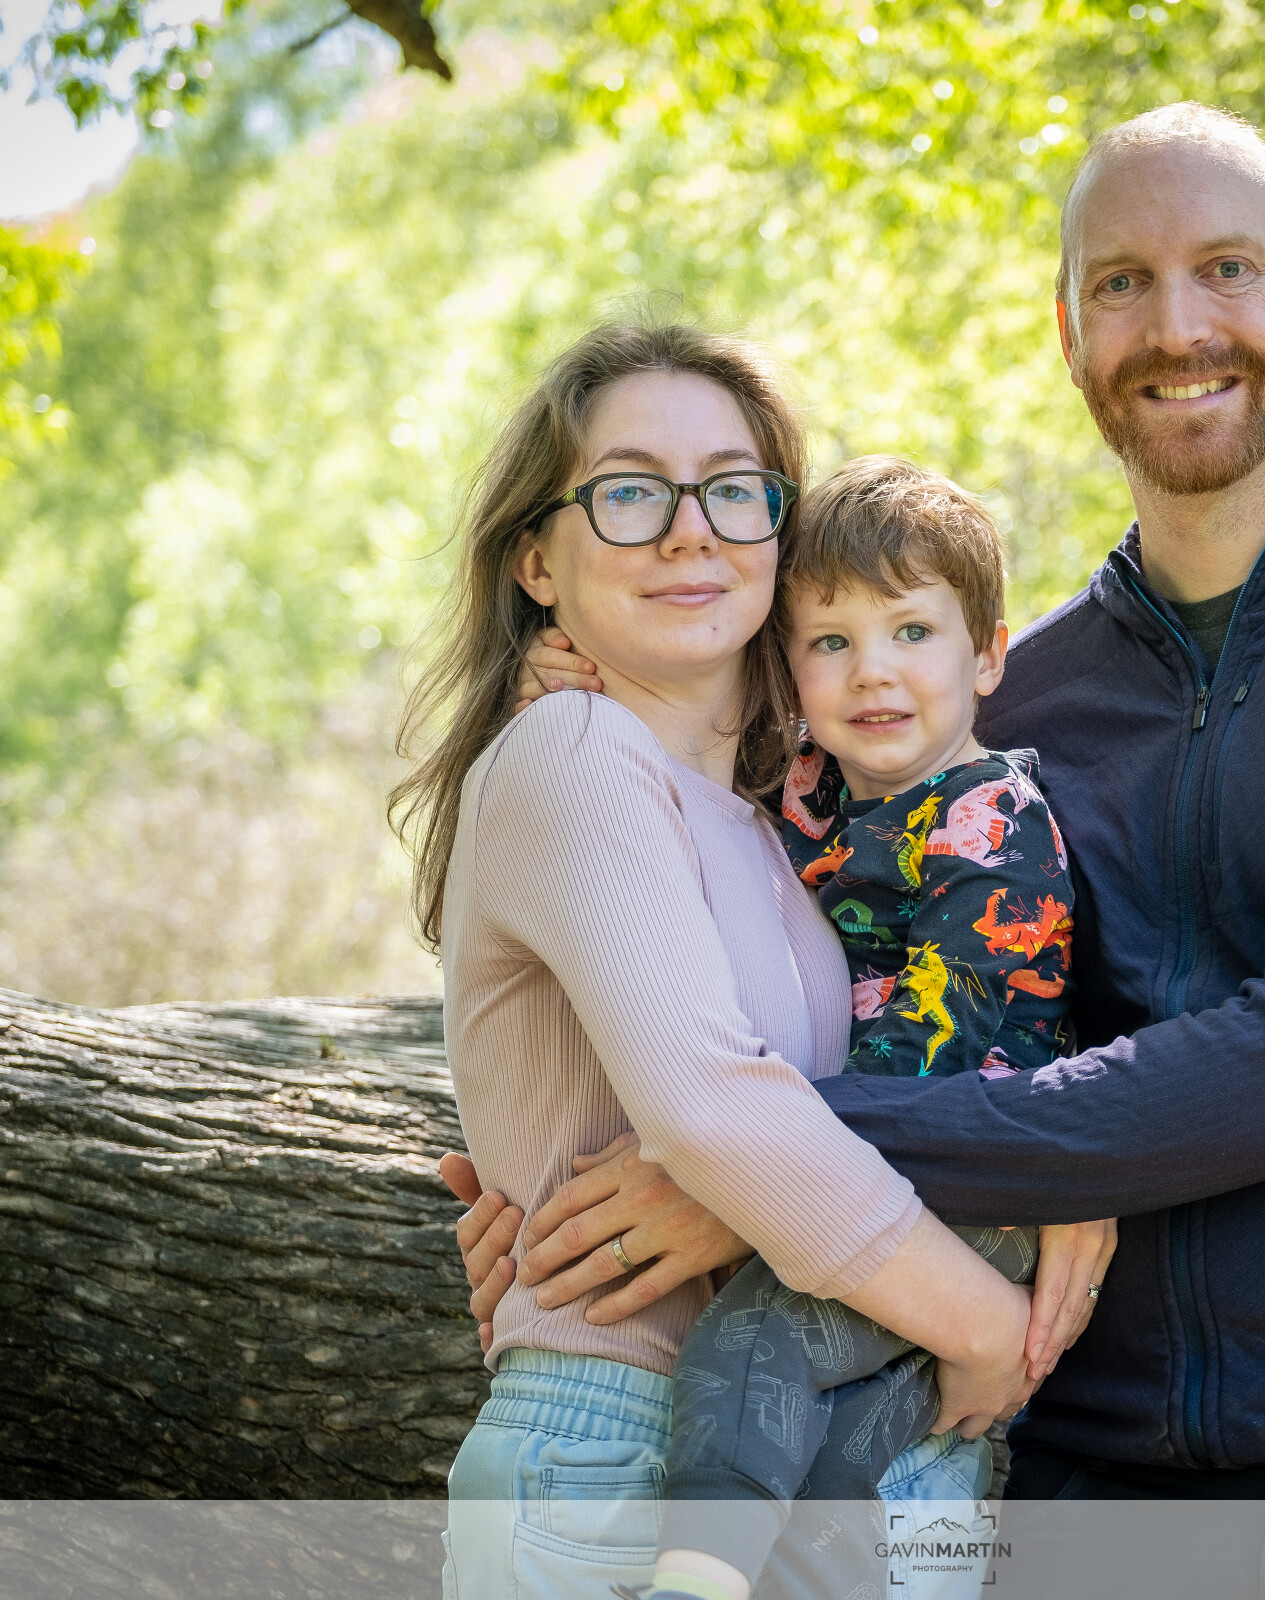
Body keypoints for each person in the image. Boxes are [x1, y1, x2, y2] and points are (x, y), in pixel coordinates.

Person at [471, 102, 1265, 1582]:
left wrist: (755, 1163)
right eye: (1122, 283)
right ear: (1070, 329)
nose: (1179, 326)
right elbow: (767, 940)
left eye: (1228, 269)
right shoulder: (1010, 703)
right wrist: (547, 1180)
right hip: (1094, 1488)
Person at [400, 321, 1109, 1600]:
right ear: (537, 560)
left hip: (885, 1453)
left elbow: (917, 1060)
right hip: (637, 1449)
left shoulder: (789, 824)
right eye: (630, 494)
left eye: (733, 490)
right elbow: (716, 1114)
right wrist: (990, 1323)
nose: (691, 531)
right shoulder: (574, 754)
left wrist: (1067, 1171)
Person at [631, 456, 1086, 1600]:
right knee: (843, 1449)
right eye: (830, 641)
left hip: (971, 1188)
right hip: (872, 1175)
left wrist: (744, 1168)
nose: (871, 670)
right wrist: (572, 669)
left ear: (987, 655)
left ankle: (690, 1583)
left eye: (911, 631)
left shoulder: (991, 827)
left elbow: (923, 1061)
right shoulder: (810, 785)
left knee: (752, 1346)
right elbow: (674, 733)